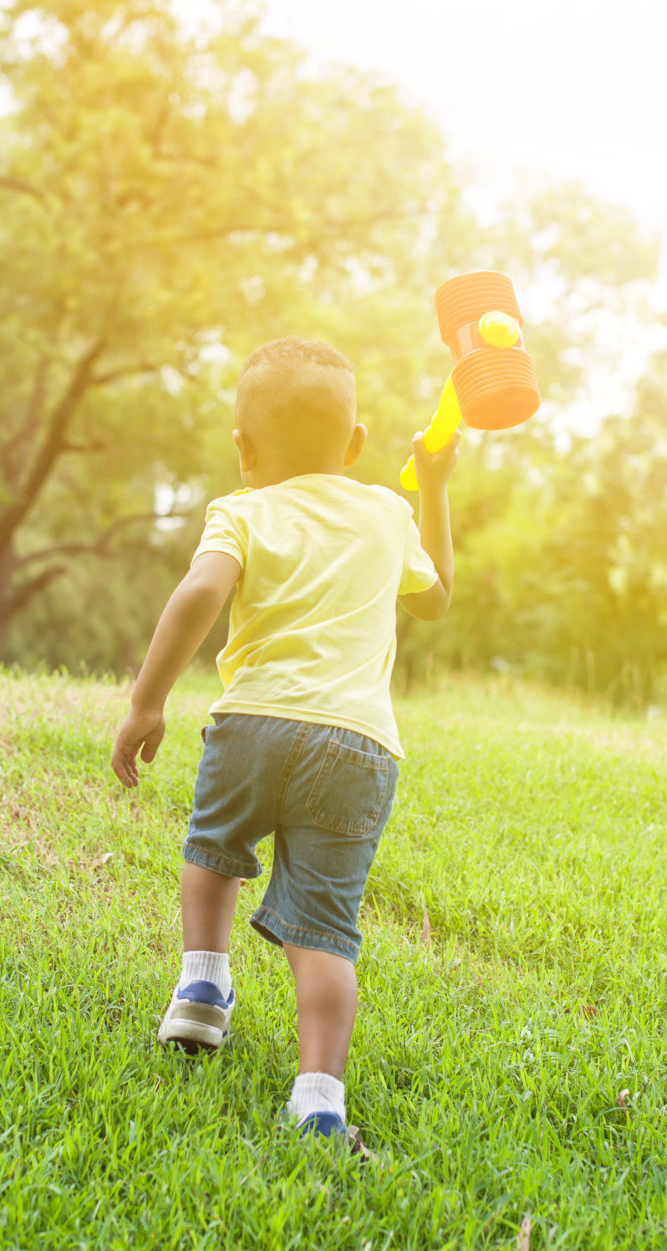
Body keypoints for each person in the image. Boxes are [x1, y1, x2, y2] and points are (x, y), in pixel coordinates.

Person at [110, 337, 456, 1152]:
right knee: (326, 928)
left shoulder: (243, 510)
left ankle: (201, 984)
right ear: (359, 445)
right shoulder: (386, 510)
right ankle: (320, 1099)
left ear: (243, 449)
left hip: (253, 724)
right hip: (359, 749)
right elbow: (436, 599)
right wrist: (433, 490)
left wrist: (146, 702)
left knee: (215, 847)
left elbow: (200, 589)